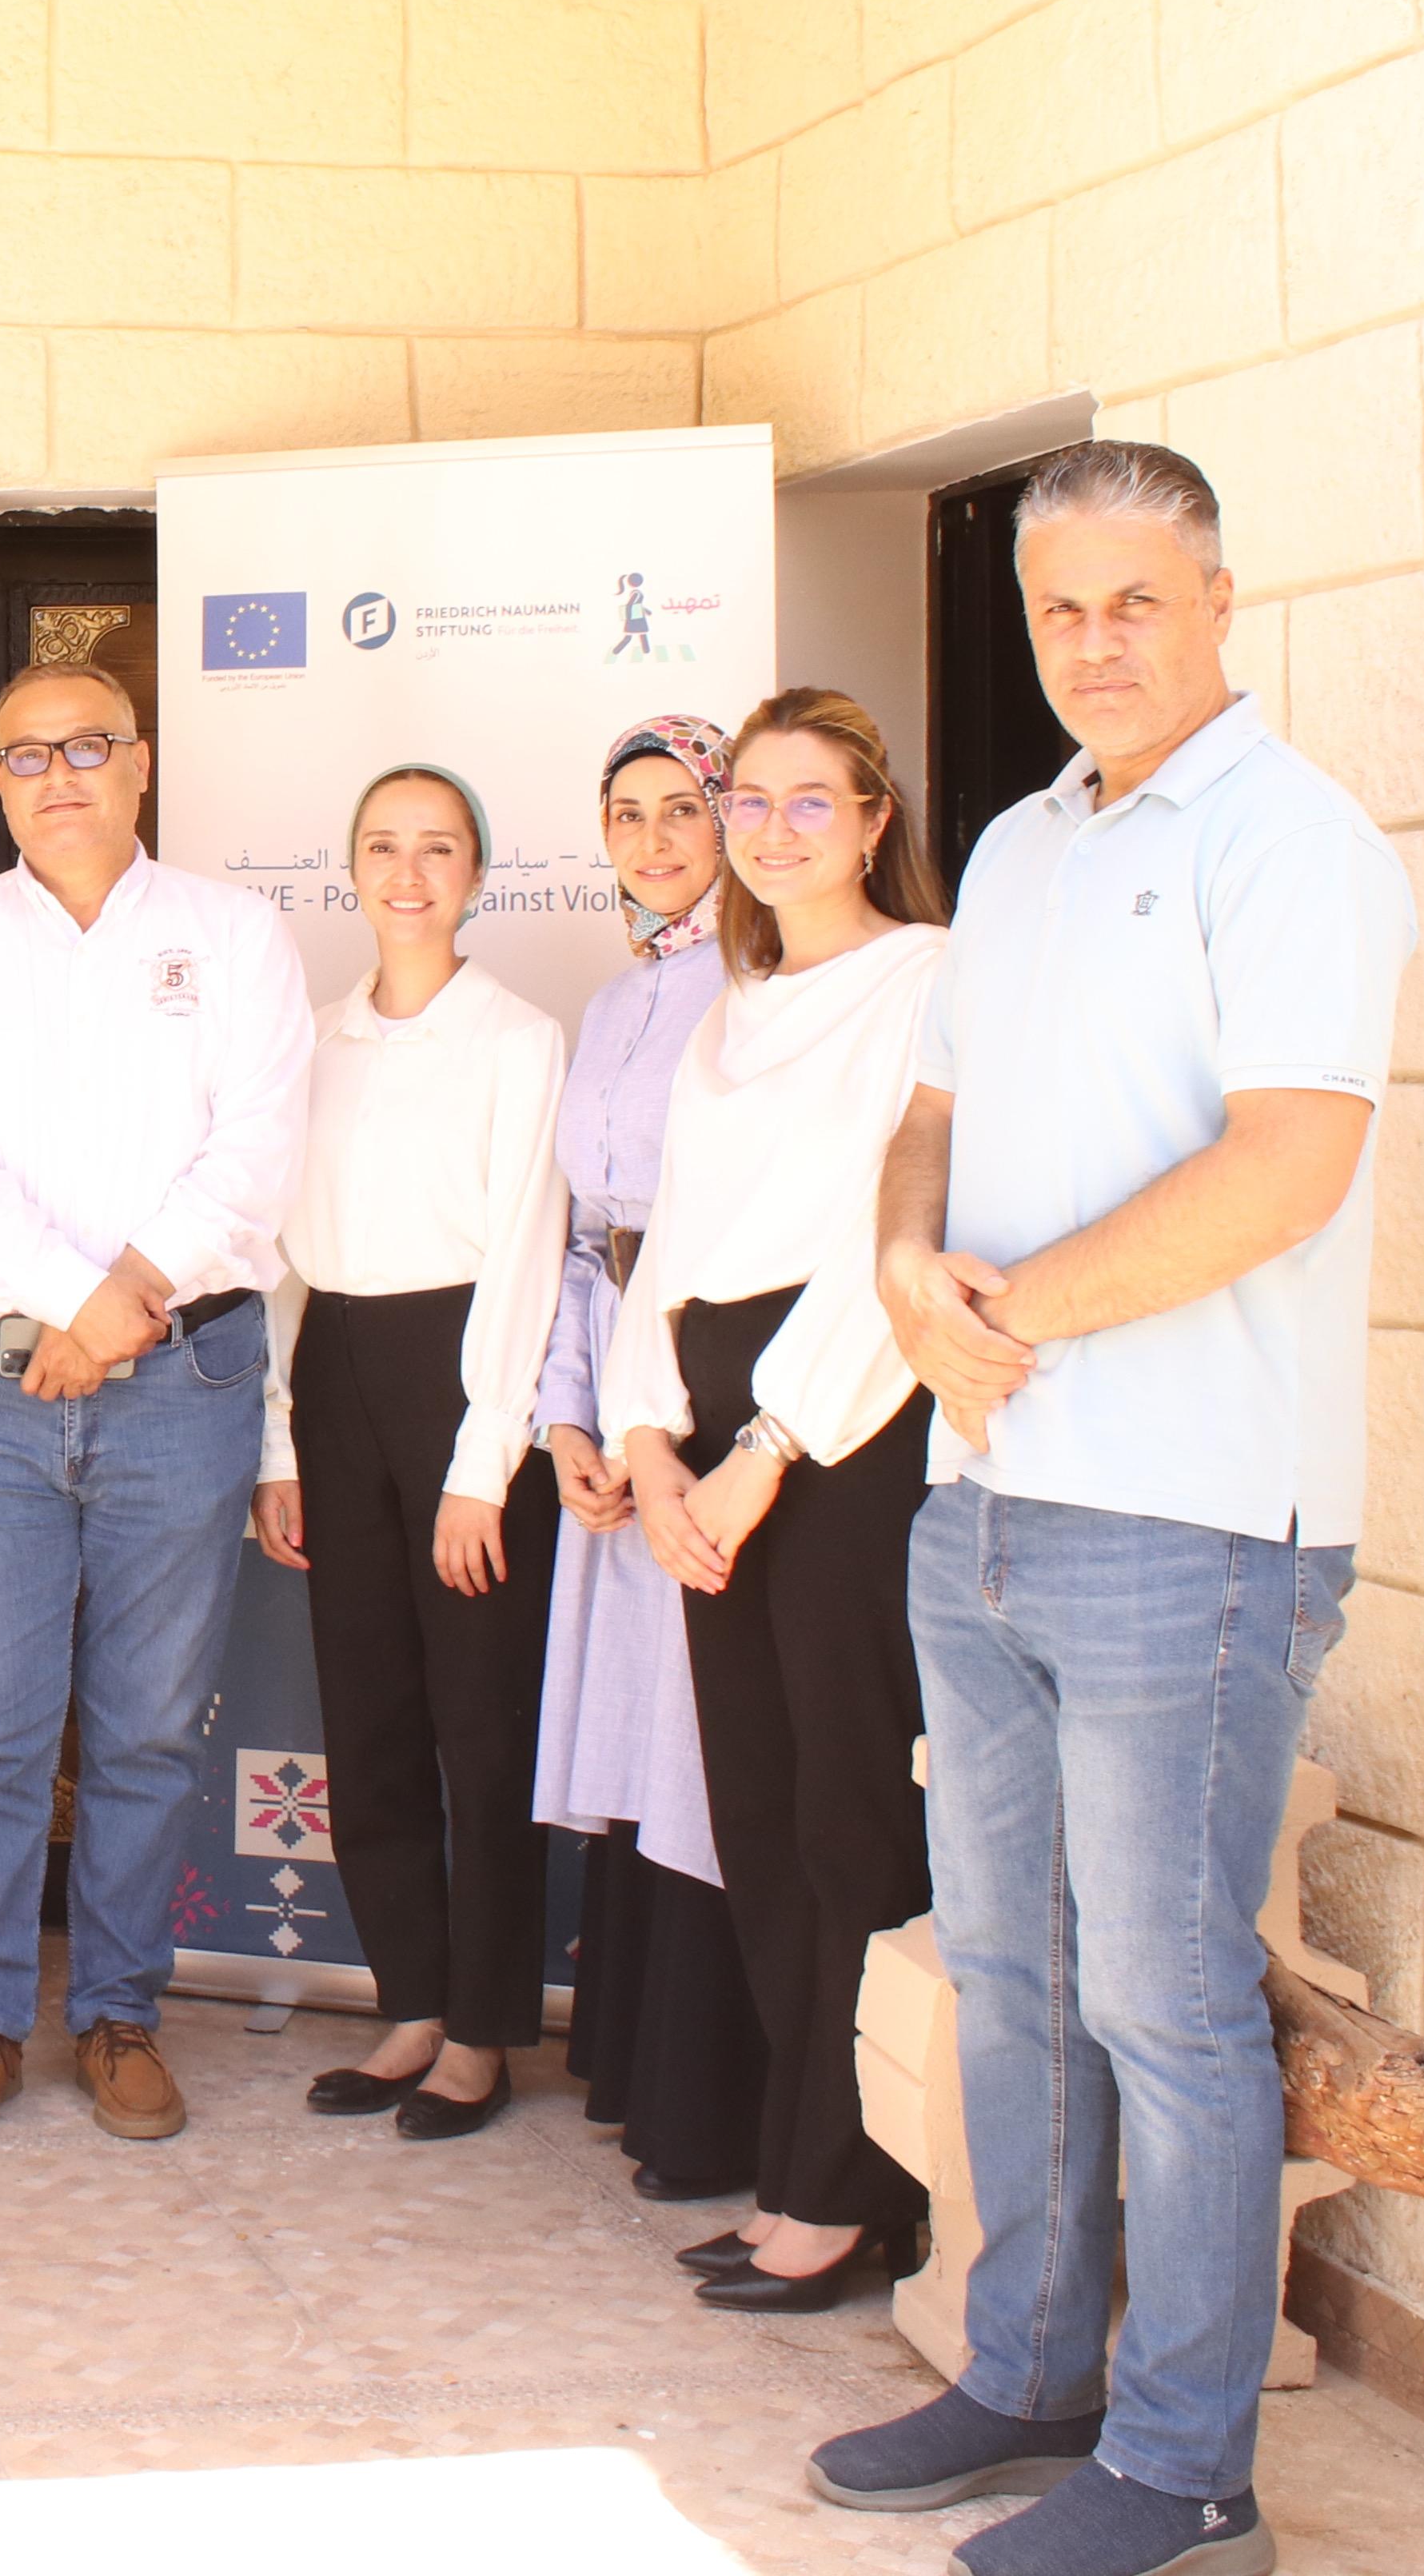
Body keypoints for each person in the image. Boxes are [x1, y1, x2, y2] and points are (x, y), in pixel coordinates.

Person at [810, 445, 1414, 2576]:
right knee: (1011, 1967)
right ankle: (1033, 2370)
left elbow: (1288, 1166)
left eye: (1136, 600)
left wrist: (1004, 1317)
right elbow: (931, 1114)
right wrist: (908, 1273)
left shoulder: (1294, 842)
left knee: (1166, 1997)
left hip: (1195, 1521)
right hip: (986, 1495)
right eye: (1061, 608)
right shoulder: (1018, 847)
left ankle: (1186, 2468)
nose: (1096, 642)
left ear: (1221, 603)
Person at [0, 665, 313, 2144]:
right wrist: (81, 1304)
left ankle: (119, 2010)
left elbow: (256, 1148)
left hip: (185, 1380)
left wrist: (122, 1303)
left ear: (140, 765)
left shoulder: (235, 934)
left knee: (146, 1729)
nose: (56, 774)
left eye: (86, 746)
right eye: (25, 755)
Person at [601, 687, 949, 2317]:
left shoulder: (928, 979)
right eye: (754, 798)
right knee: (753, 1812)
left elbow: (900, 1242)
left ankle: (854, 2187)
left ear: (876, 820)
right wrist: (650, 1439)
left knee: (846, 1811)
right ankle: (804, 2166)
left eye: (818, 798)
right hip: (711, 1427)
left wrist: (765, 1450)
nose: (776, 827)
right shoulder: (730, 1007)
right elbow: (668, 1243)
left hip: (844, 1427)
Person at [253, 765, 568, 2141]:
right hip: (333, 1371)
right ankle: (411, 2004)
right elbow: (279, 1263)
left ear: (476, 875)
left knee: (478, 1727)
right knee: (367, 1715)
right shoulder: (309, 1042)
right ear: (351, 869)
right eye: (383, 845)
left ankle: (482, 2032)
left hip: (462, 1374)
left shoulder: (519, 1040)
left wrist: (482, 1463)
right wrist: (280, 1442)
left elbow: (529, 1258)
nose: (408, 872)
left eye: (438, 848)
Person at [529, 713, 772, 2209]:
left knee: (703, 1734)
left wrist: (652, 1418)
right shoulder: (618, 998)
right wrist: (569, 1419)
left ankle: (717, 2103)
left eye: (686, 808)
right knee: (634, 1724)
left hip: (705, 1391)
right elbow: (583, 1238)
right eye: (628, 813)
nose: (656, 839)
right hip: (615, 1389)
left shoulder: (764, 989)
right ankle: (634, 2065)